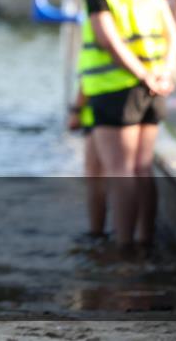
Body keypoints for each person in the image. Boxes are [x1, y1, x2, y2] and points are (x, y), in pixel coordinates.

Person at [78, 0, 176, 253]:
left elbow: (108, 40)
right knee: (142, 168)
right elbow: (172, 33)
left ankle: (123, 249)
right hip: (153, 88)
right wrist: (163, 73)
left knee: (120, 170)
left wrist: (141, 74)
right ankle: (145, 242)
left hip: (116, 89)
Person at [66, 90, 106, 240]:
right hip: (107, 108)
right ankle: (137, 239)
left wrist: (76, 110)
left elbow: (87, 82)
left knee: (114, 172)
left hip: (104, 109)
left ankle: (122, 241)